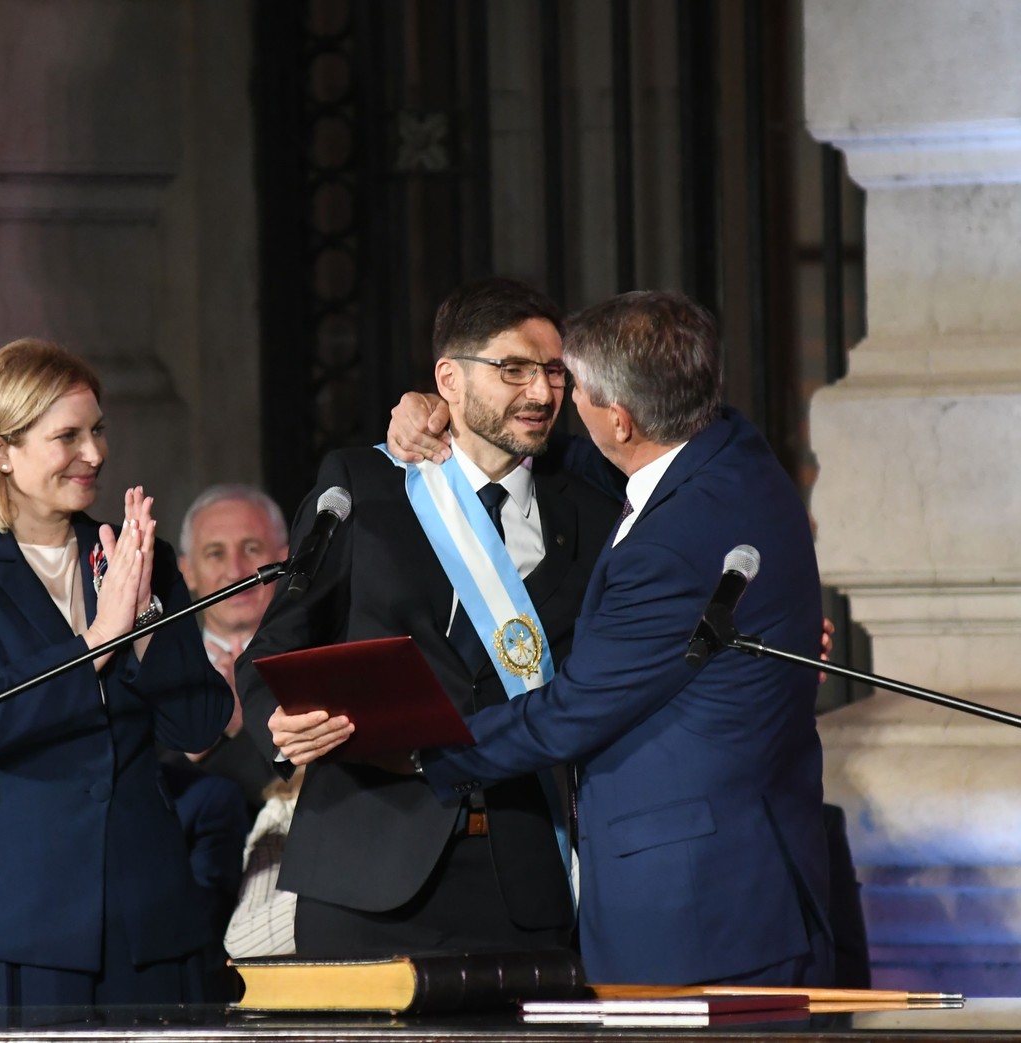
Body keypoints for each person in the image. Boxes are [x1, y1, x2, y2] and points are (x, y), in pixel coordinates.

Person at [381, 290, 832, 985]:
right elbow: (587, 460)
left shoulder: (670, 548)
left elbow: (572, 713)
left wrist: (420, 750)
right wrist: (432, 405)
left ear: (619, 418)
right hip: (754, 875)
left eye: (570, 383)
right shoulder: (734, 450)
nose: (553, 400)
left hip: (694, 913)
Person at [236, 277, 622, 957]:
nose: (539, 393)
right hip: (364, 868)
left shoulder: (590, 511)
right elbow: (279, 640)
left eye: (553, 371)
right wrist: (278, 719)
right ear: (448, 377)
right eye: (512, 369)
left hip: (522, 874)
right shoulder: (363, 485)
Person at [0, 338, 233, 1007]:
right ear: (0, 450)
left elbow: (198, 722)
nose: (94, 454)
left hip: (143, 913)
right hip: (8, 918)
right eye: (67, 436)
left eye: (97, 430)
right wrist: (101, 637)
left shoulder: (138, 556)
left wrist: (143, 624)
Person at [171, 484, 289, 812]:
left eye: (251, 549)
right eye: (215, 553)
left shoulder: (320, 663)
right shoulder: (155, 676)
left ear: (284, 559)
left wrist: (247, 723)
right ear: (187, 572)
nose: (236, 571)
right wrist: (203, 740)